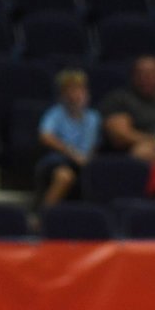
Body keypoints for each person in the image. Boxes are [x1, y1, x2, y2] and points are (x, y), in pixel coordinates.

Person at [34, 69, 100, 208]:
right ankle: (43, 218)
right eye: (70, 90)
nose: (75, 95)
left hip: (85, 163)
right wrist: (70, 152)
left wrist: (84, 159)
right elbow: (45, 136)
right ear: (62, 94)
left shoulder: (93, 117)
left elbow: (91, 147)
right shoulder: (55, 113)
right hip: (58, 160)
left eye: (79, 89)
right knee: (64, 176)